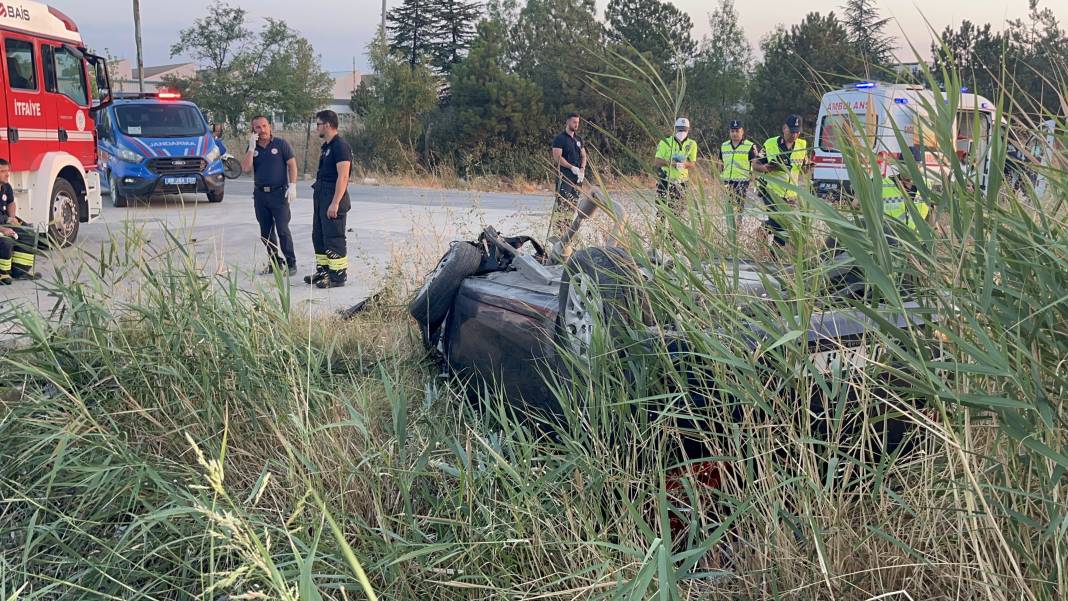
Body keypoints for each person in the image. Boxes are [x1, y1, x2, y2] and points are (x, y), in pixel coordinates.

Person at [240, 115, 298, 275]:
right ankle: (274, 262)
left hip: (279, 194)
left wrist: (292, 185)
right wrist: (251, 148)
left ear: (270, 126)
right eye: (258, 127)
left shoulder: (280, 144)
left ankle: (291, 263)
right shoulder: (253, 148)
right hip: (260, 195)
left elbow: (292, 165)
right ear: (254, 130)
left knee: (282, 230)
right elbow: (245, 168)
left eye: (264, 126)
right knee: (265, 232)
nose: (262, 130)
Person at [305, 110, 352, 289]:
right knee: (319, 236)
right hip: (322, 195)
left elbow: (343, 176)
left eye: (318, 124)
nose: (316, 128)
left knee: (334, 237)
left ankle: (337, 276)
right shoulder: (328, 146)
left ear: (327, 125)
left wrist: (335, 202)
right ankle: (324, 271)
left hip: (333, 196)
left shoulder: (340, 146)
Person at [753, 114, 809, 247]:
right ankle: (774, 254)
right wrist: (765, 168)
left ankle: (764, 231)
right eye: (791, 131)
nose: (794, 135)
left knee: (784, 224)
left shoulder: (802, 145)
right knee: (781, 223)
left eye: (797, 132)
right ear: (784, 128)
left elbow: (804, 168)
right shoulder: (770, 143)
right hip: (771, 191)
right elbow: (755, 165)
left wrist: (809, 166)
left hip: (790, 194)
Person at [0, 158, 40, 283]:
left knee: (28, 233)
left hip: (4, 220)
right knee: (5, 240)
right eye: (2, 171)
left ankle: (20, 272)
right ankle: (3, 274)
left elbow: (11, 202)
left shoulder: (6, 187)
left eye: (7, 171)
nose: (7, 174)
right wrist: (3, 229)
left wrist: (12, 218)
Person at [653, 117, 698, 219]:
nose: (682, 131)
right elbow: (657, 161)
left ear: (688, 129)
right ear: (675, 128)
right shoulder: (665, 142)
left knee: (678, 212)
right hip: (666, 180)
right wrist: (671, 164)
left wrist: (684, 164)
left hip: (682, 182)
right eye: (680, 129)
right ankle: (660, 234)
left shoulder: (692, 144)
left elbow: (693, 164)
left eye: (684, 129)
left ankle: (674, 235)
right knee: (662, 212)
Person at [550, 113, 587, 236]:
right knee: (562, 203)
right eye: (574, 122)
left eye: (577, 122)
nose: (576, 125)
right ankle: (558, 232)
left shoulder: (578, 139)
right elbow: (557, 157)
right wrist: (571, 167)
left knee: (572, 204)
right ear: (568, 122)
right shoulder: (560, 138)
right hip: (565, 176)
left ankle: (567, 231)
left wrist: (582, 169)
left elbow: (584, 156)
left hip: (577, 178)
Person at [718, 120, 757, 205]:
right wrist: (719, 176)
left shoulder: (750, 146)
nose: (734, 133)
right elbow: (720, 162)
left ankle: (739, 219)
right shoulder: (724, 146)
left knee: (739, 206)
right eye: (732, 131)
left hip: (742, 182)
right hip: (727, 180)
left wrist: (754, 180)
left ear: (742, 131)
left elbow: (755, 164)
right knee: (728, 205)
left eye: (737, 131)